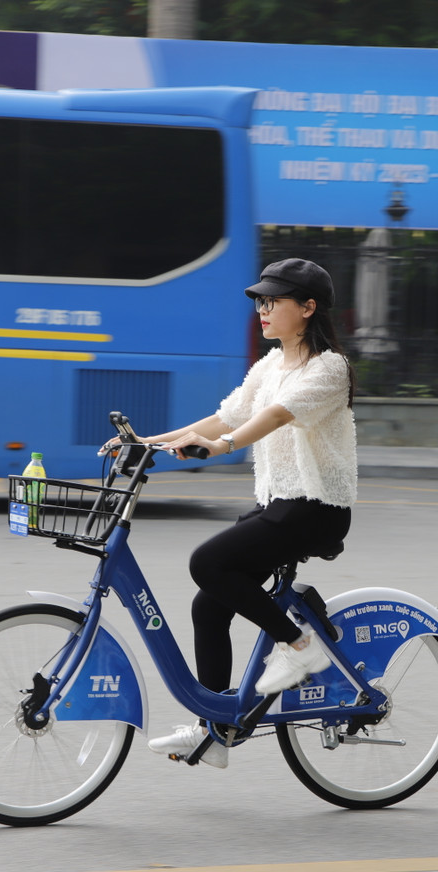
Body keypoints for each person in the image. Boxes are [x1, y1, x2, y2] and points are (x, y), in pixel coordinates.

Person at [106, 258, 357, 768]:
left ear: (308, 308)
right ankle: (216, 731)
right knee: (209, 605)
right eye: (260, 301)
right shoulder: (270, 365)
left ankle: (299, 646)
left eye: (274, 301)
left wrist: (222, 447)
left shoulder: (329, 368)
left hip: (316, 507)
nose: (262, 309)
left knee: (208, 563)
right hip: (280, 506)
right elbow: (226, 416)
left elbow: (277, 415)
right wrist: (147, 442)